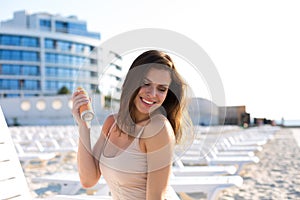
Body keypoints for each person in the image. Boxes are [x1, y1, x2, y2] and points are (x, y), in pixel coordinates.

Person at [72, 50, 190, 199]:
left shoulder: (158, 128)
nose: (153, 94)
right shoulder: (111, 123)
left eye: (162, 89)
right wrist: (83, 125)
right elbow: (88, 180)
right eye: (146, 83)